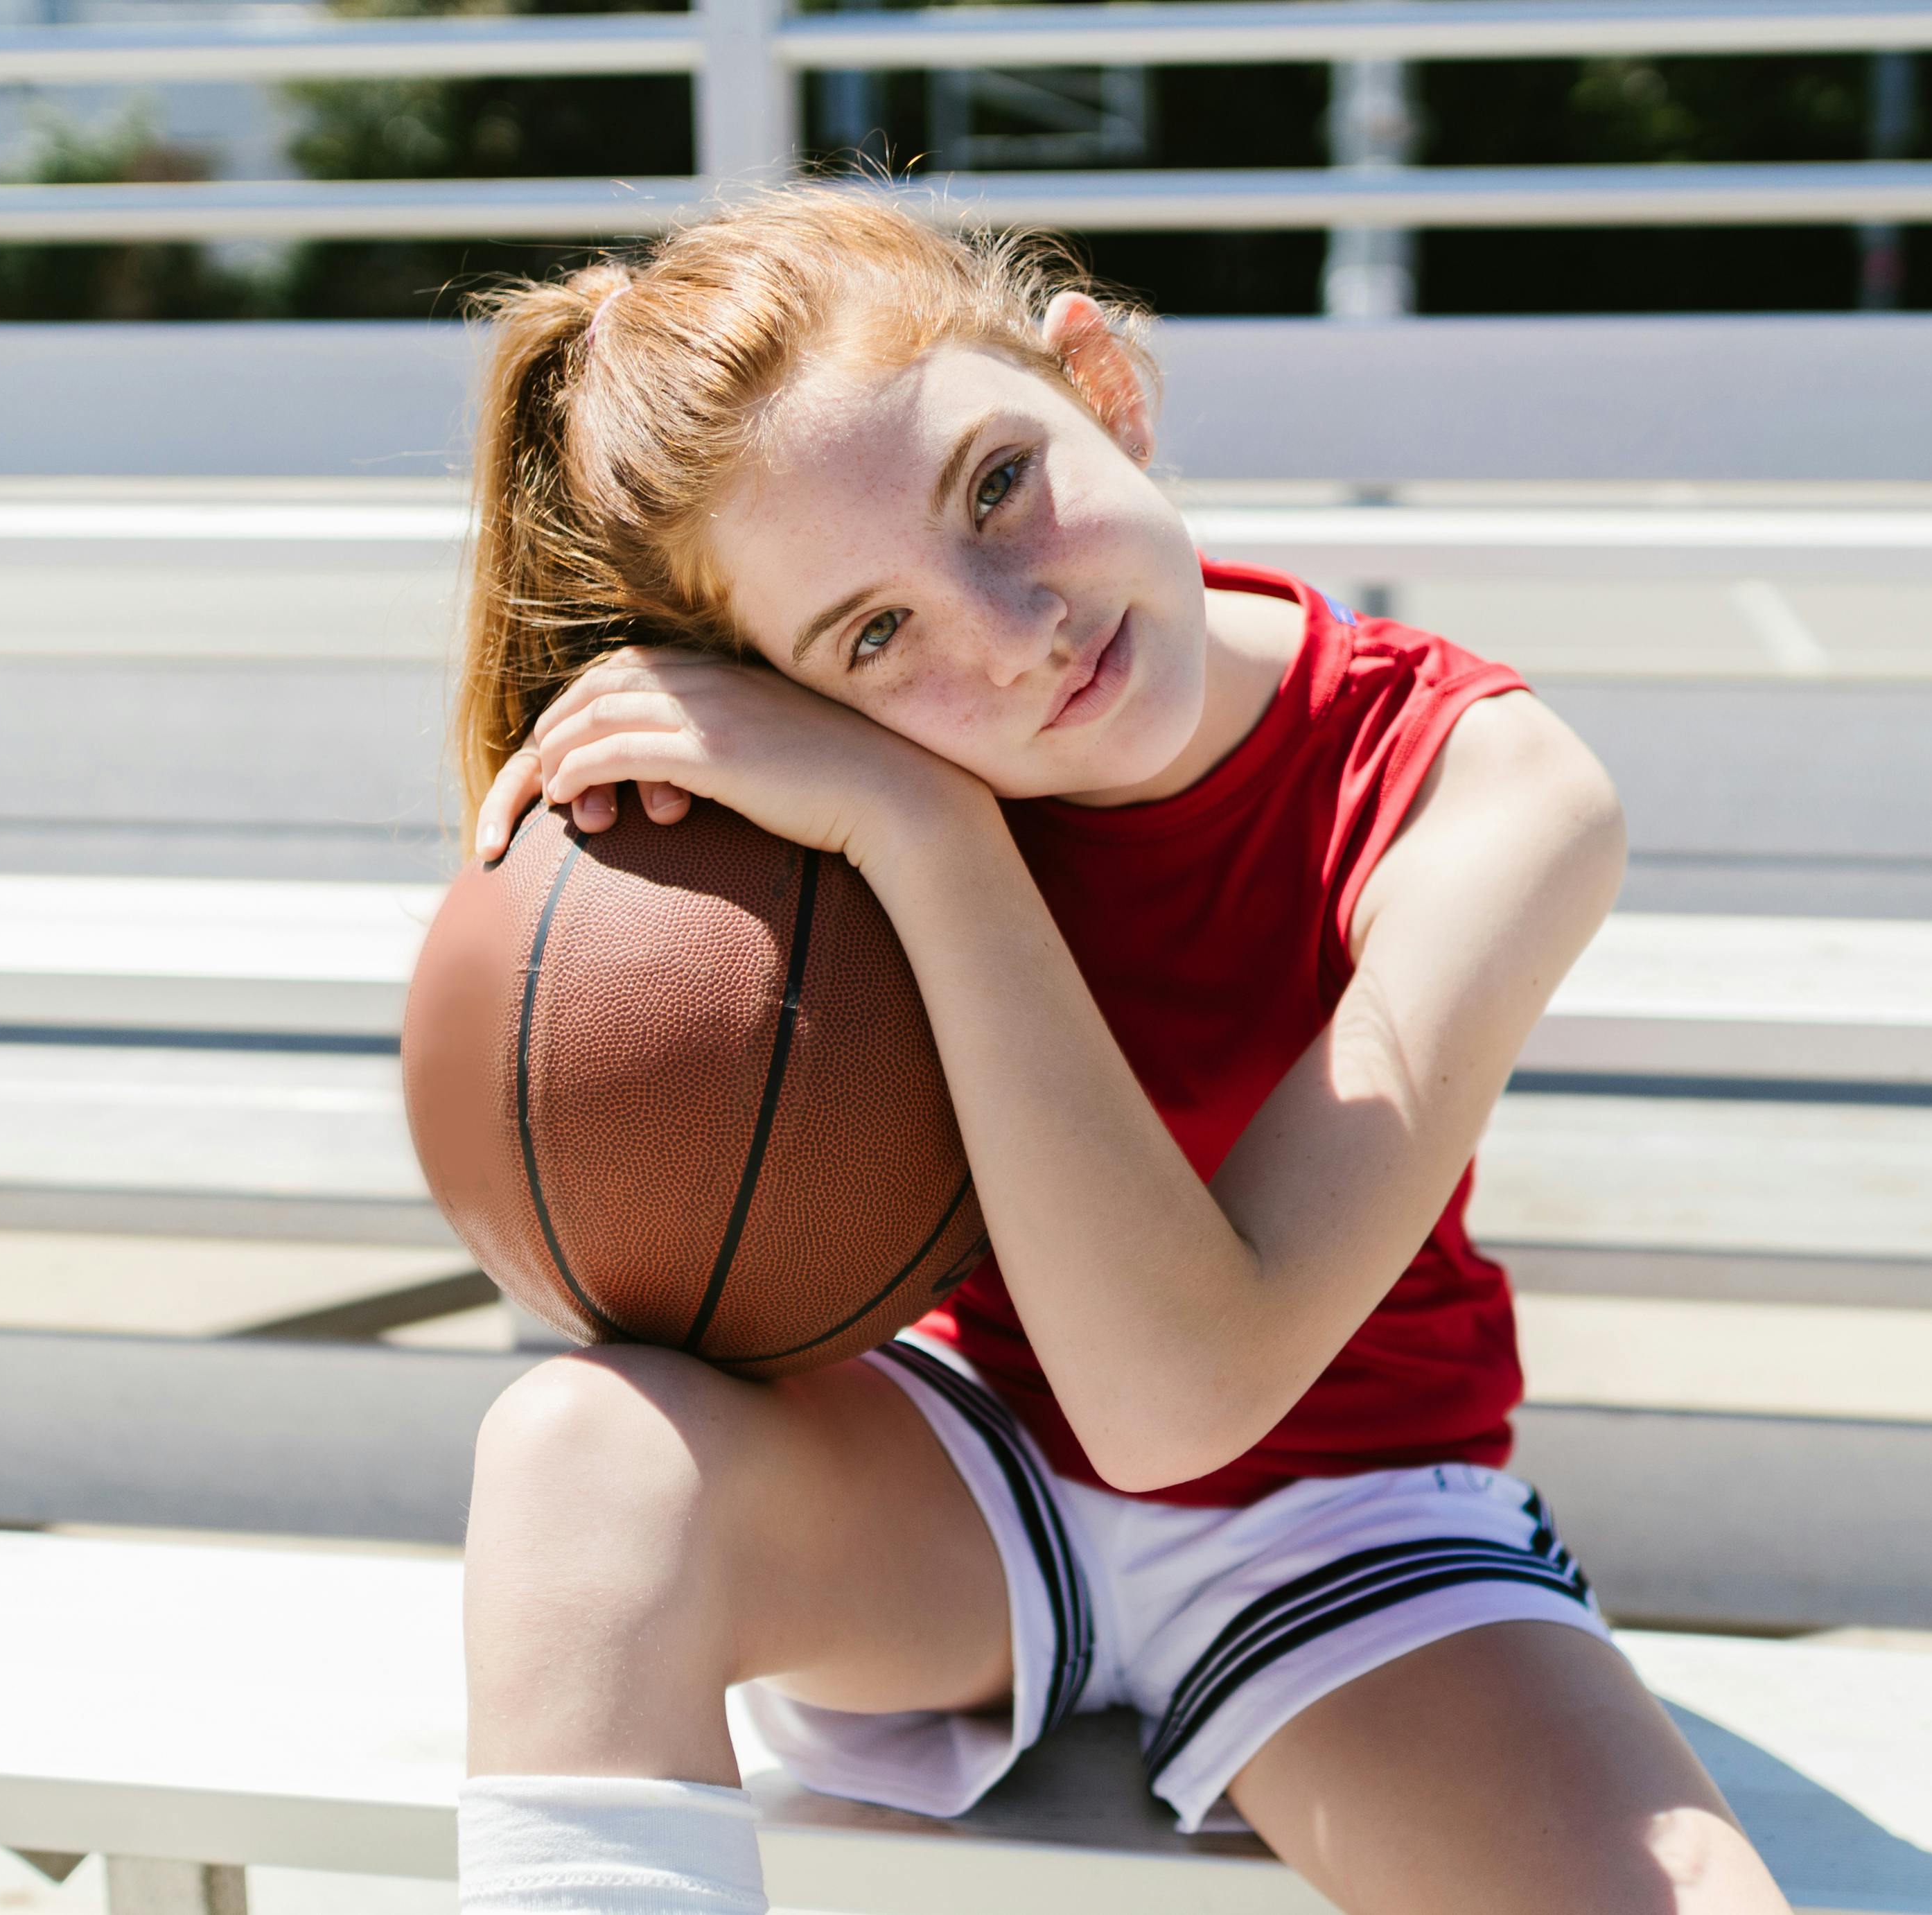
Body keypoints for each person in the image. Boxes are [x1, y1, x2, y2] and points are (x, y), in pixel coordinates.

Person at [451, 192, 1790, 1915]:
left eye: (996, 485)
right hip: (954, 1472)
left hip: (1348, 1514)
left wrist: (927, 836)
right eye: (870, 635)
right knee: (578, 1445)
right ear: (779, 689)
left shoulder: (1486, 788)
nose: (1011, 630)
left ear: (1106, 383)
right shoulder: (814, 798)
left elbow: (1180, 1401)